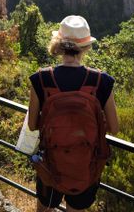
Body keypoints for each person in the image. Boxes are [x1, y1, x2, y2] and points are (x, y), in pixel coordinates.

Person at [27, 15, 120, 212]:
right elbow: (114, 128)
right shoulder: (101, 81)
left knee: (44, 208)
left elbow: (32, 125)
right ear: (86, 47)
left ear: (59, 44)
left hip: (50, 162)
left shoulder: (42, 78)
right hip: (85, 166)